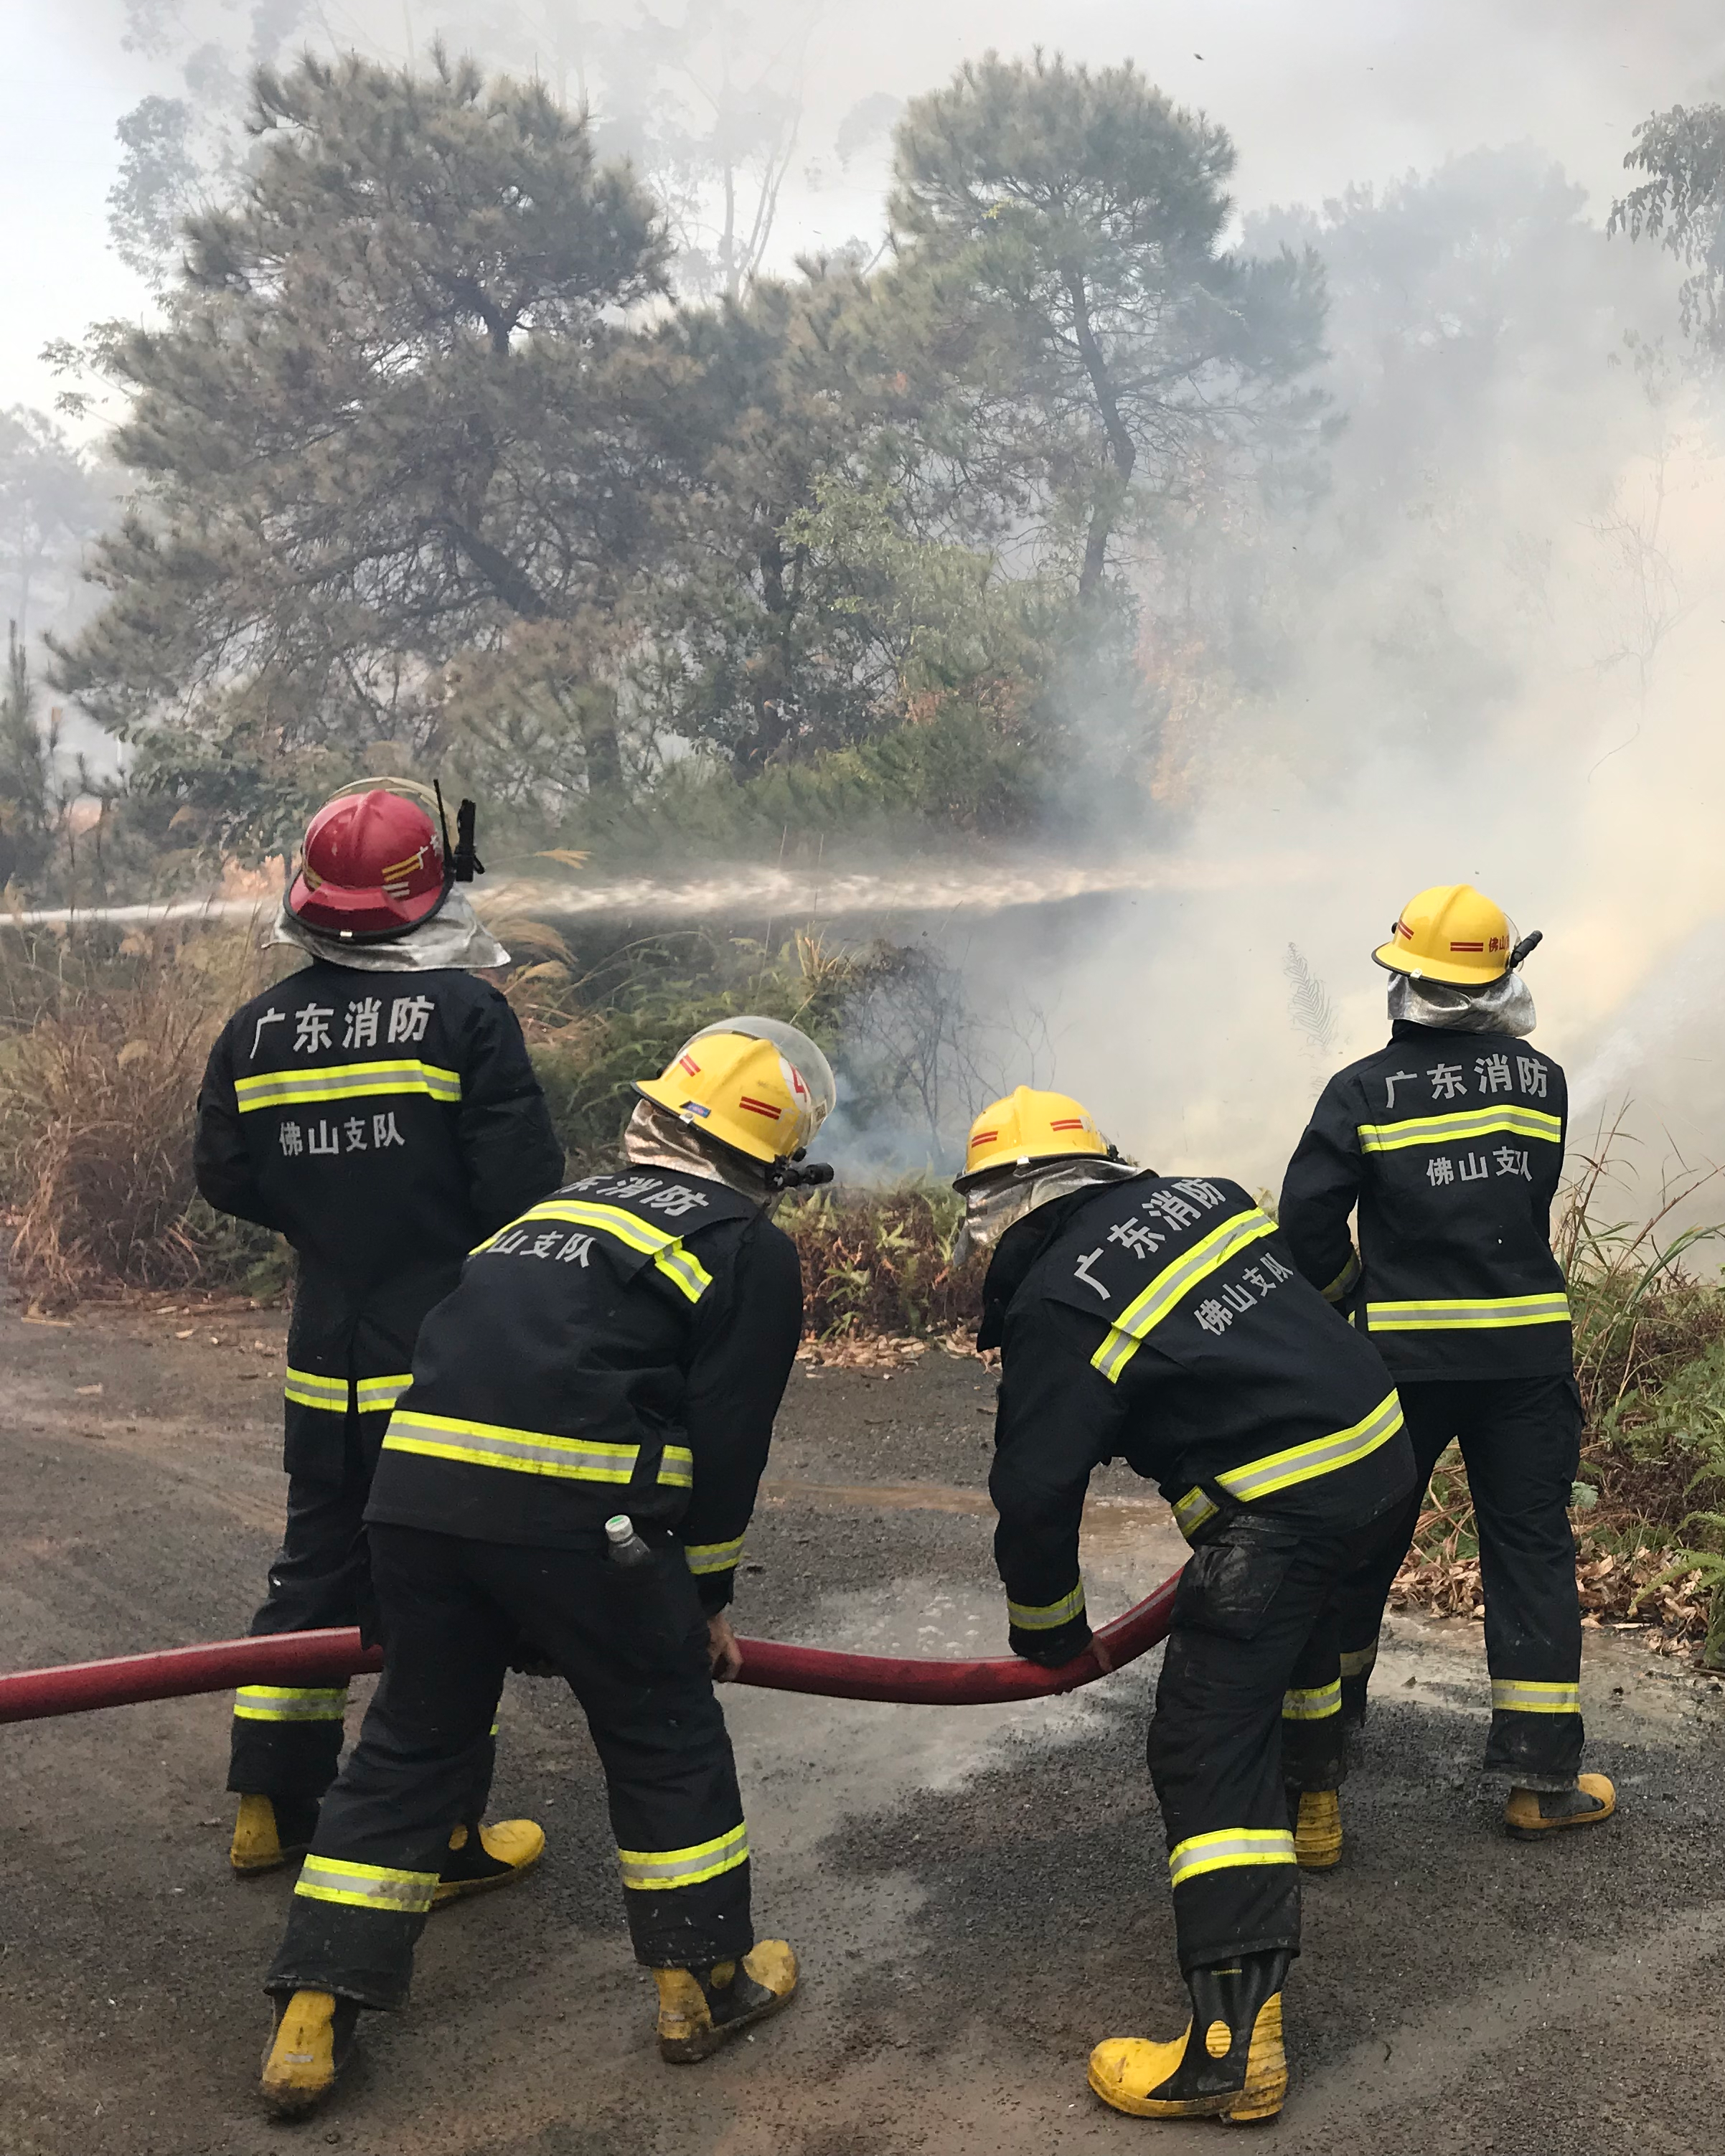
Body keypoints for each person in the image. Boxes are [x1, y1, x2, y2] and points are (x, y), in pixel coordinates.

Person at [253, 1015, 831, 2119]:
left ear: (654, 1117)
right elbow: (728, 1440)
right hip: (586, 1529)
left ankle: (311, 2017)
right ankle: (705, 1987)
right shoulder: (744, 1243)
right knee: (663, 1731)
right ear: (774, 1161)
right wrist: (701, 1598)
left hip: (414, 1504)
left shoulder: (548, 1215)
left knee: (411, 1742)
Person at [962, 1086, 1414, 2125]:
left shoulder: (1059, 1301)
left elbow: (1036, 1493)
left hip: (1284, 1512)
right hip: (1383, 1456)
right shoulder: (1203, 1198)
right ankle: (1317, 1808)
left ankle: (1229, 2051)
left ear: (1007, 1205)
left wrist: (1051, 1636)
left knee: (1205, 1746)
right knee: (1297, 1642)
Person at [195, 779, 563, 1888]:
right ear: (426, 894)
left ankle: (268, 1801)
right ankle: (445, 1832)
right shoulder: (464, 1015)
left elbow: (224, 1176)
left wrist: (330, 1223)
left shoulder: (256, 1030)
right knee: (439, 1592)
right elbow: (524, 1188)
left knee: (313, 1565)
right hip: (443, 1357)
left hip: (328, 1351)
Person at [1277, 882, 1613, 1842]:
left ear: (1404, 983)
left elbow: (1303, 1226)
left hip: (1400, 1364)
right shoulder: (1542, 1082)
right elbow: (1528, 1199)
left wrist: (1350, 1294)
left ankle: (1316, 1781)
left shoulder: (1359, 1092)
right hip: (1524, 1362)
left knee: (1353, 1551)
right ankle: (1539, 1780)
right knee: (1530, 1551)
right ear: (1497, 984)